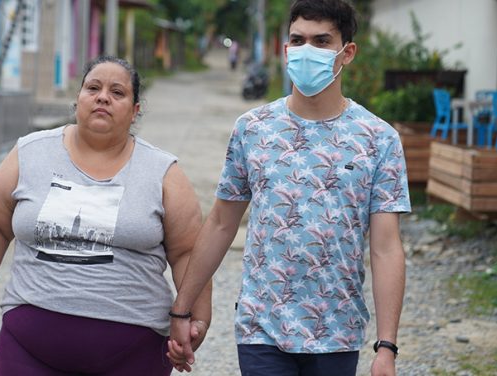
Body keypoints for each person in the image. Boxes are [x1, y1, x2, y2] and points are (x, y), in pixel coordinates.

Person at [167, 1, 410, 375]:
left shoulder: (378, 140)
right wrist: (182, 309)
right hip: (261, 329)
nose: (306, 51)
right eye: (297, 40)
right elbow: (220, 224)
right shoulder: (253, 129)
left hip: (336, 332)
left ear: (347, 52)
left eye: (321, 40)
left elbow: (385, 247)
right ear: (285, 49)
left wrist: (387, 346)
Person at [0, 55, 212, 376]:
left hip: (134, 351)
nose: (102, 96)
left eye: (117, 93)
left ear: (135, 112)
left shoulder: (163, 171)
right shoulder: (31, 152)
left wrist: (195, 318)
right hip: (29, 348)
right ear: (77, 100)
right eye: (93, 87)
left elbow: (189, 251)